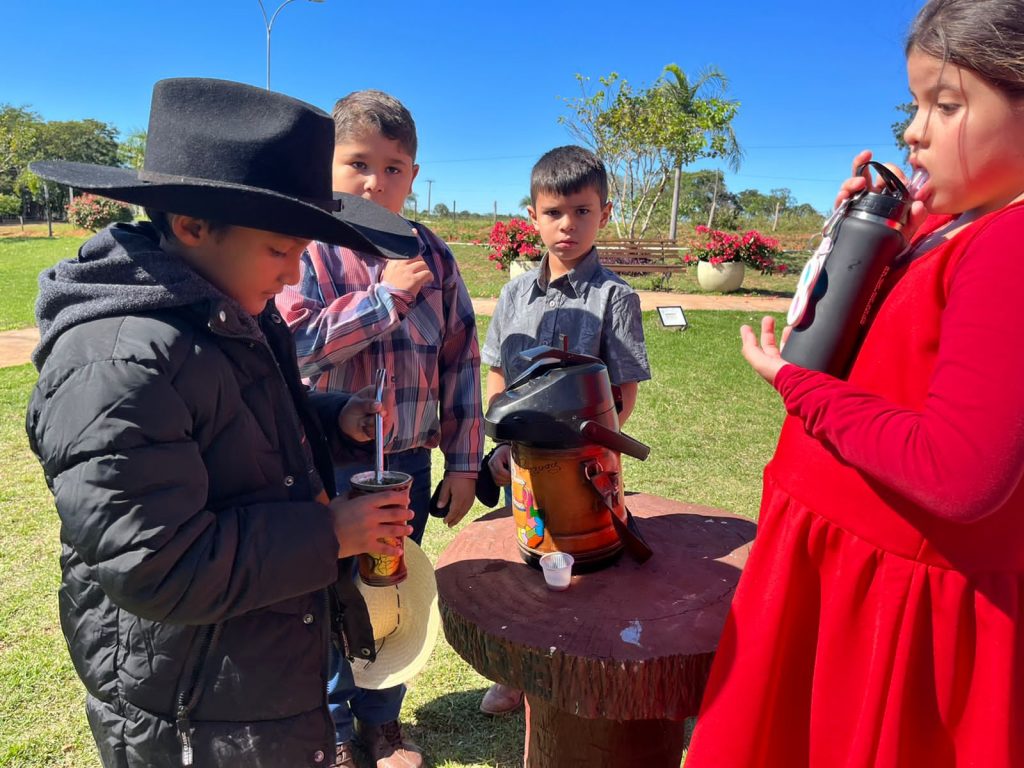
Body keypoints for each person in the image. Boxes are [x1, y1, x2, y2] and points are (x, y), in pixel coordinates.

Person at [24, 78, 422, 768]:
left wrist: (333, 419)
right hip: (191, 707)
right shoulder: (117, 360)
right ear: (192, 226)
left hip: (250, 673)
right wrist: (331, 532)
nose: (294, 273)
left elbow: (241, 420)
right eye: (280, 251)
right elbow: (157, 562)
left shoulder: (224, 306)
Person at [686, 1, 1024, 765]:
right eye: (915, 105)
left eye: (947, 104)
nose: (914, 131)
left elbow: (959, 470)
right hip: (835, 568)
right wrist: (863, 247)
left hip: (885, 610)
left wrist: (795, 388)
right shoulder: (956, 232)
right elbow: (877, 354)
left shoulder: (1011, 245)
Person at [276, 89, 483, 768]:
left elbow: (461, 362)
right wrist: (384, 298)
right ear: (326, 167)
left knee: (390, 592)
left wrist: (462, 464)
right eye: (357, 162)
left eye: (394, 167)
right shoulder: (303, 249)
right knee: (325, 596)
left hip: (406, 468)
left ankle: (383, 725)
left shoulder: (436, 256)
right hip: (320, 463)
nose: (375, 181)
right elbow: (295, 343)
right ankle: (332, 727)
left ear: (414, 176)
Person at [478, 145, 651, 715]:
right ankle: (516, 673)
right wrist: (505, 445)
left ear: (603, 213)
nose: (567, 225)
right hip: (521, 463)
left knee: (587, 565)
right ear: (533, 216)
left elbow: (620, 396)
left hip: (585, 464)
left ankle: (582, 663)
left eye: (581, 211)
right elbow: (498, 375)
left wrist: (581, 446)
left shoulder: (617, 298)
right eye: (554, 212)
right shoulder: (512, 295)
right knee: (530, 554)